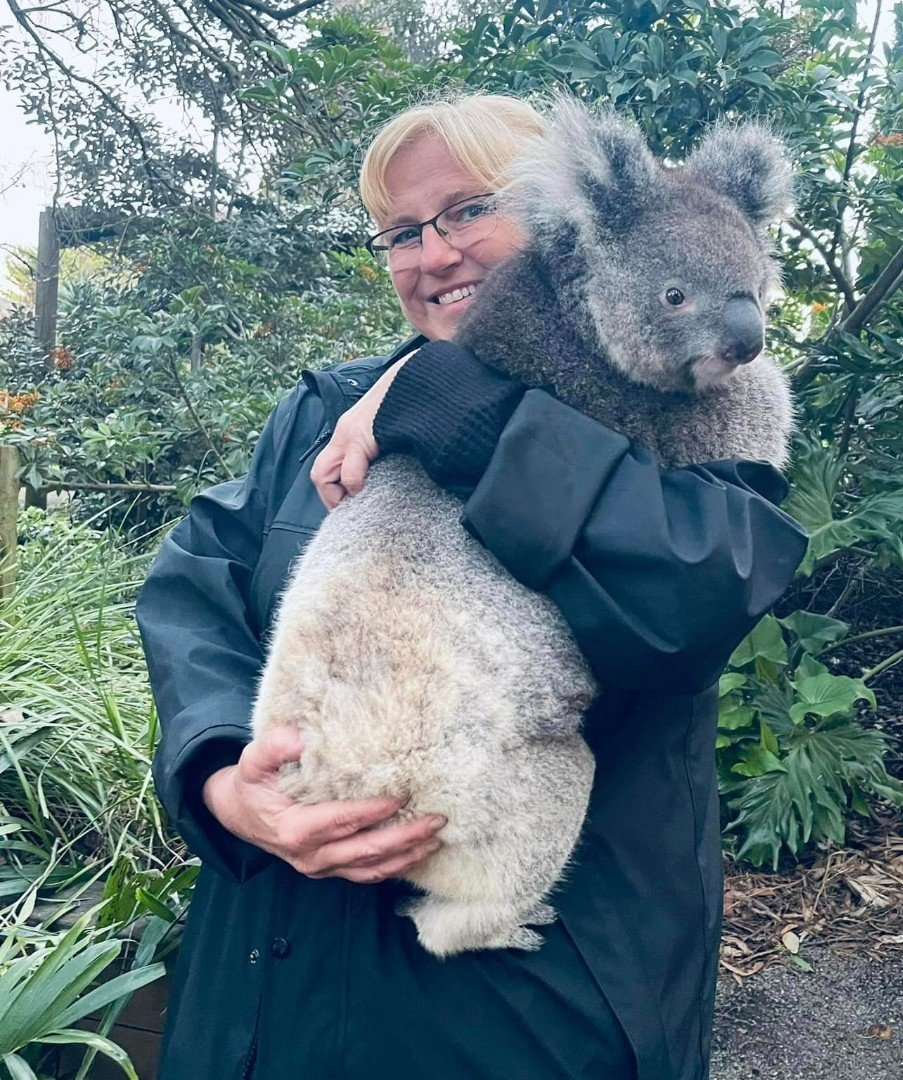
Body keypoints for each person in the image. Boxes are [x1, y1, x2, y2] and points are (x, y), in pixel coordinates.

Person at [135, 92, 809, 1080]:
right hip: (265, 986)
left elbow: (697, 596)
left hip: (522, 1004)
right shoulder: (325, 408)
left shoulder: (693, 406)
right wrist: (222, 778)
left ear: (566, 219)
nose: (432, 253)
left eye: (465, 211)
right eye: (402, 231)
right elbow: (196, 589)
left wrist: (455, 406)